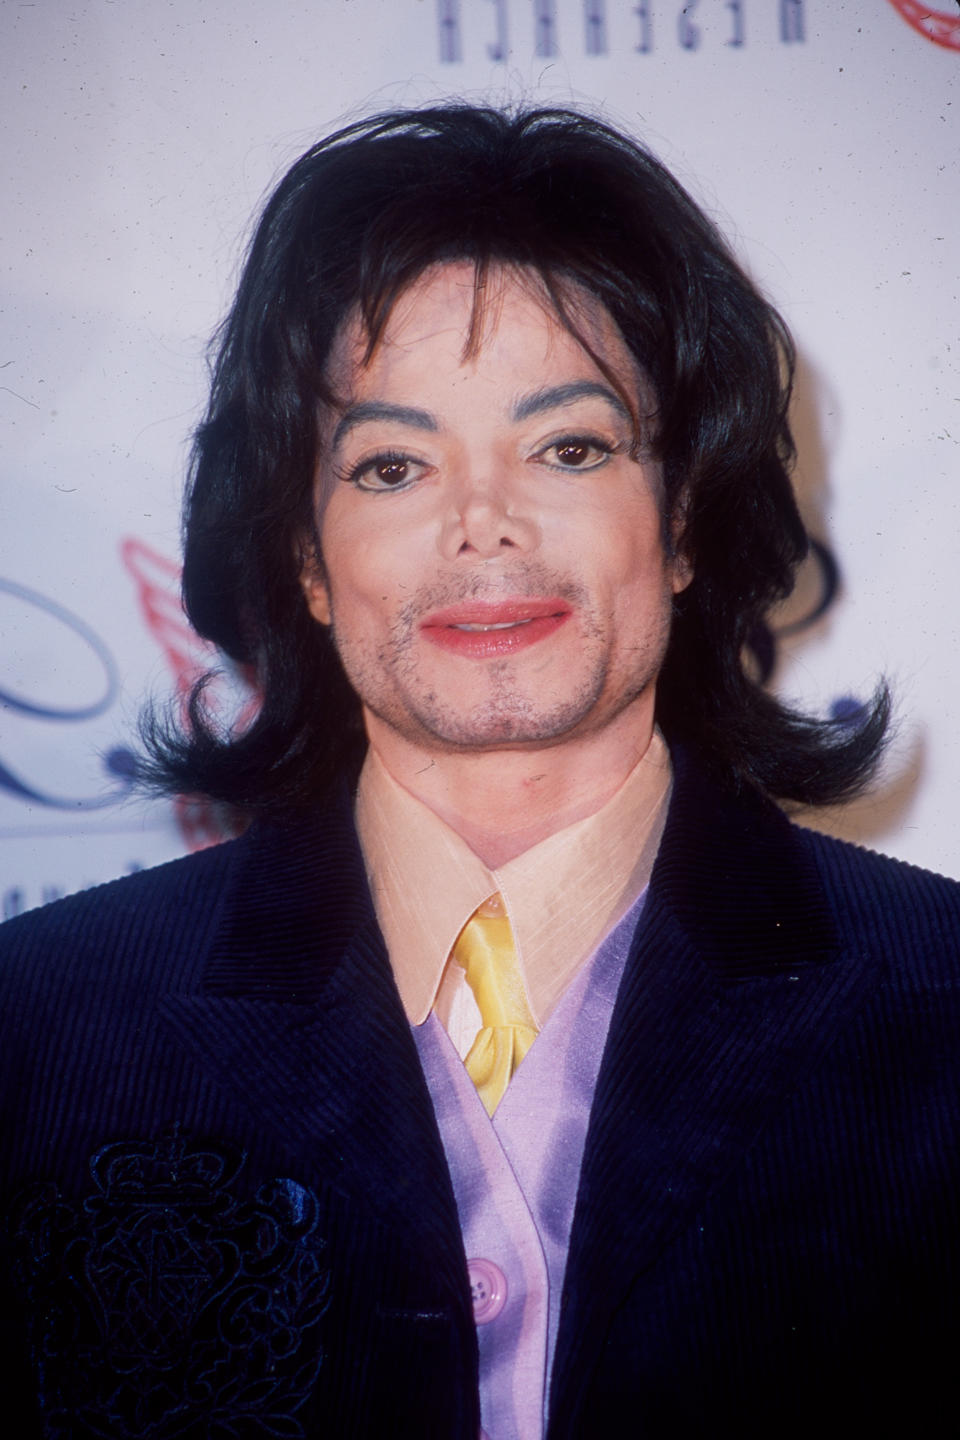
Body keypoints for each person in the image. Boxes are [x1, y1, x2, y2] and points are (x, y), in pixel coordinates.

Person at [1, 104, 957, 1440]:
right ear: (308, 561)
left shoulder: (941, 1000)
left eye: (570, 447)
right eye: (392, 464)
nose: (484, 522)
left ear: (682, 520)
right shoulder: (33, 1025)